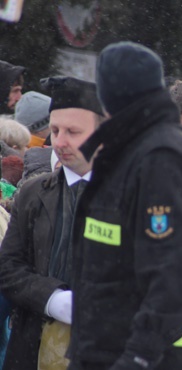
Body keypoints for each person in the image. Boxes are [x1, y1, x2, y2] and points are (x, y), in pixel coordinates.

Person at [67, 41, 182, 370]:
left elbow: (174, 283)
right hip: (110, 352)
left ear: (110, 94)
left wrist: (136, 359)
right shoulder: (135, 147)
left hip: (149, 359)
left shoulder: (160, 156)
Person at [0, 76, 103, 370]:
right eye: (55, 130)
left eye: (73, 131)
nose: (60, 141)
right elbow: (9, 267)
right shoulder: (32, 193)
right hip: (32, 349)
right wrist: (53, 299)